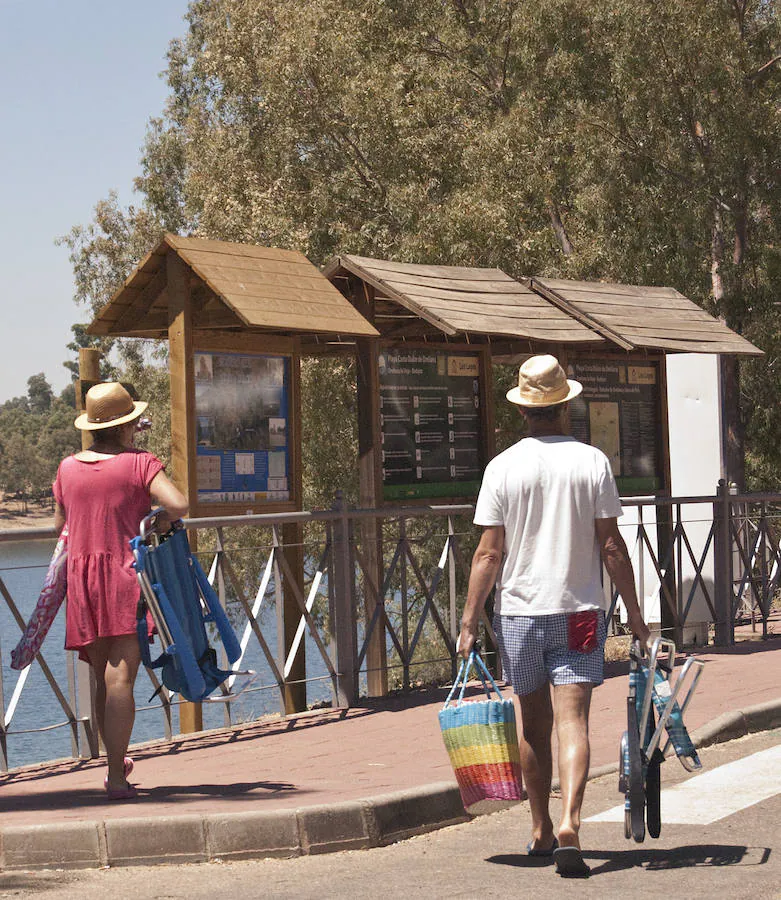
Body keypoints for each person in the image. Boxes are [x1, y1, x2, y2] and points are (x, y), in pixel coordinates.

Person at [458, 355, 651, 878]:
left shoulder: (502, 467)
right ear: (565, 404)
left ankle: (541, 829)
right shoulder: (591, 463)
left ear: (523, 409)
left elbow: (487, 555)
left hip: (520, 614)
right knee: (574, 721)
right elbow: (611, 546)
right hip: (580, 611)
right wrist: (635, 615)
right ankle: (571, 820)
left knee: (534, 725)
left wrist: (470, 621)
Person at [53, 382, 188, 800]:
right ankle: (115, 776)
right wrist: (158, 521)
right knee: (121, 677)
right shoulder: (140, 463)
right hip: (122, 574)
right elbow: (179, 504)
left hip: (82, 577)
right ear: (125, 426)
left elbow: (61, 526)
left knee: (99, 674)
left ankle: (113, 758)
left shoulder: (67, 467)